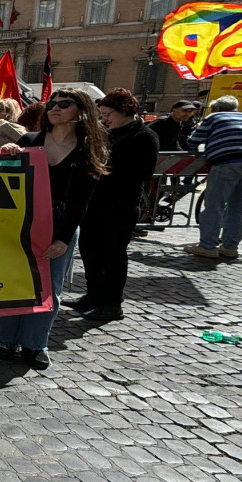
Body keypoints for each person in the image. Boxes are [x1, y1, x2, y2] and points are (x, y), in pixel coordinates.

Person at [0, 89, 107, 369]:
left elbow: (82, 201)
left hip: (61, 219)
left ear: (81, 111)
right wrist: (7, 156)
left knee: (49, 287)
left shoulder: (89, 149)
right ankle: (5, 338)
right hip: (24, 218)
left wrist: (64, 238)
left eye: (64, 104)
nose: (55, 108)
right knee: (15, 280)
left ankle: (35, 344)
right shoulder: (30, 140)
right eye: (52, 104)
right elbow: (3, 181)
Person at [66, 89, 158, 322]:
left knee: (113, 256)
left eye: (108, 114)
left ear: (125, 111)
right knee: (89, 250)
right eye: (101, 114)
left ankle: (112, 303)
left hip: (120, 205)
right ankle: (93, 294)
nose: (104, 119)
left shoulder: (144, 136)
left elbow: (140, 173)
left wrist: (102, 169)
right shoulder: (105, 132)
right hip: (93, 203)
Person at [182, 95, 242, 260]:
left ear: (217, 109)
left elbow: (193, 141)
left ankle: (208, 246)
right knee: (238, 207)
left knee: (215, 205)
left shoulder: (214, 117)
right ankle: (230, 247)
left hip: (226, 164)